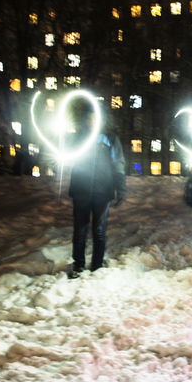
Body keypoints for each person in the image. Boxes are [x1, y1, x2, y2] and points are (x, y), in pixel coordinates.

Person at [67, 111, 126, 279]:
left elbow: (118, 164)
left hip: (103, 191)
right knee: (80, 229)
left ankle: (97, 265)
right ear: (87, 120)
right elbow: (67, 155)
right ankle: (78, 264)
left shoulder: (110, 138)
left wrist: (120, 188)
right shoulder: (79, 137)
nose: (92, 120)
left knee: (99, 230)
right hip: (81, 190)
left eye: (95, 118)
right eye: (90, 117)